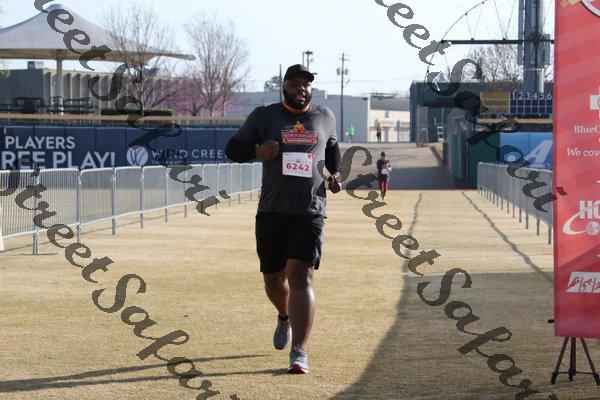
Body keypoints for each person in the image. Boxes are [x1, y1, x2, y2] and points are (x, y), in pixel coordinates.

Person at [225, 64, 341, 374]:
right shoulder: (265, 116)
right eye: (295, 83)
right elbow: (232, 149)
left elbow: (332, 150)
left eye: (306, 84)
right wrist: (256, 152)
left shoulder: (325, 117)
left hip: (310, 210)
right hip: (272, 211)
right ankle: (284, 315)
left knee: (300, 277)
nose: (301, 88)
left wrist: (335, 174)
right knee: (273, 279)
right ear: (284, 87)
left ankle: (299, 352)